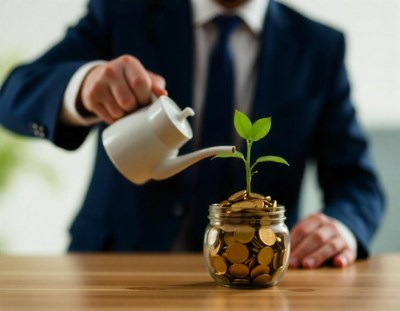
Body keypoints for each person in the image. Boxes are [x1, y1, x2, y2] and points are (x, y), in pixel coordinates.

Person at [0, 0, 384, 269]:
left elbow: (358, 183)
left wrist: (342, 228)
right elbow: (14, 95)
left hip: (256, 273)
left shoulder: (319, 47)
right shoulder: (124, 11)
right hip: (115, 267)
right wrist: (83, 86)